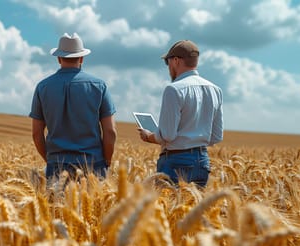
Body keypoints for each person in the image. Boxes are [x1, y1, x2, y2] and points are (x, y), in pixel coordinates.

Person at [29, 33, 117, 181]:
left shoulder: (42, 87)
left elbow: (36, 134)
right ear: (82, 58)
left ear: (58, 58)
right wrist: (106, 161)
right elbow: (110, 131)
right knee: (95, 205)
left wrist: (51, 160)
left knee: (56, 204)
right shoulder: (99, 86)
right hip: (93, 166)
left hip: (56, 166)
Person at [138, 40, 223, 187]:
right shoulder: (215, 89)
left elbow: (168, 135)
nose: (168, 67)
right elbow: (216, 136)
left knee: (168, 208)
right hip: (202, 160)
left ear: (176, 61)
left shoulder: (174, 89)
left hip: (176, 161)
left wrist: (149, 136)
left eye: (168, 62)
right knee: (195, 209)